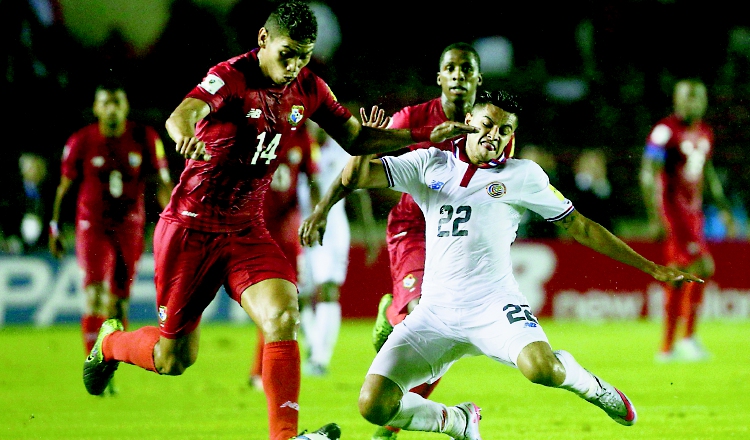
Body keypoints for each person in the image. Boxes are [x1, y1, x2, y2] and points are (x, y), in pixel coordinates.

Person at [79, 2, 474, 440]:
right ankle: (110, 344)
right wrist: (183, 137)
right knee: (174, 358)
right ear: (264, 40)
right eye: (288, 53)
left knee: (284, 315)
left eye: (304, 55)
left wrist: (419, 135)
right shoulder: (231, 75)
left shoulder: (308, 88)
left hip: (247, 231)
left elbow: (356, 138)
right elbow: (182, 114)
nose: (295, 66)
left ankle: (284, 437)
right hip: (191, 227)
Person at [333, 90, 703, 438]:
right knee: (374, 405)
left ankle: (594, 387)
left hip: (493, 306)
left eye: (505, 130)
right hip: (435, 313)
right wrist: (372, 141)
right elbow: (356, 177)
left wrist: (652, 268)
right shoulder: (430, 162)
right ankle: (457, 420)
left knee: (543, 369)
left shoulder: (522, 175)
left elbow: (581, 227)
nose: (494, 135)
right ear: (467, 121)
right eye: (487, 124)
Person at [299, 41, 485, 440]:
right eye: (450, 69)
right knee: (423, 314)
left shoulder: (489, 127)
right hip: (414, 229)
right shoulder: (414, 117)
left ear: (477, 78)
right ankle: (391, 413)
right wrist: (323, 209)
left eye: (466, 69)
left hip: (458, 236)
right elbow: (359, 163)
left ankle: (390, 423)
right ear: (439, 78)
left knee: (447, 334)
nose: (458, 76)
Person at [48, 78, 173, 393]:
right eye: (106, 103)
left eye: (117, 102)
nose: (112, 109)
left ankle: (108, 371)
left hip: (130, 226)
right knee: (94, 296)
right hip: (93, 226)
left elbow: (162, 182)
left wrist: (175, 221)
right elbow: (64, 188)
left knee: (119, 305)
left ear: (126, 106)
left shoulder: (145, 137)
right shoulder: (81, 141)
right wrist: (53, 226)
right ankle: (93, 368)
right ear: (96, 108)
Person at [640, 78, 737, 363]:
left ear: (704, 101)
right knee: (702, 266)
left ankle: (667, 348)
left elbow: (707, 173)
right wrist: (655, 216)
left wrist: (723, 208)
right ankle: (687, 339)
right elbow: (648, 174)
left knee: (680, 276)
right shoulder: (664, 131)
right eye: (686, 97)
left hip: (694, 214)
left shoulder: (704, 132)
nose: (692, 103)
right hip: (673, 212)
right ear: (676, 100)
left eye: (697, 97)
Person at [297, 121, 380, 378]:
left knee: (328, 290)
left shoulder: (342, 151)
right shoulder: (296, 147)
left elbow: (359, 194)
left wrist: (369, 233)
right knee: (298, 295)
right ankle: (313, 344)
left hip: (332, 232)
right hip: (297, 229)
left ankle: (321, 357)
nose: (315, 126)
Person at [249, 122, 321, 391]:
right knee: (274, 302)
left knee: (284, 301)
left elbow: (312, 181)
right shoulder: (253, 130)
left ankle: (264, 370)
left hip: (287, 233)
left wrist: (316, 216)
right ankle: (263, 370)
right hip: (253, 228)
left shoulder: (303, 137)